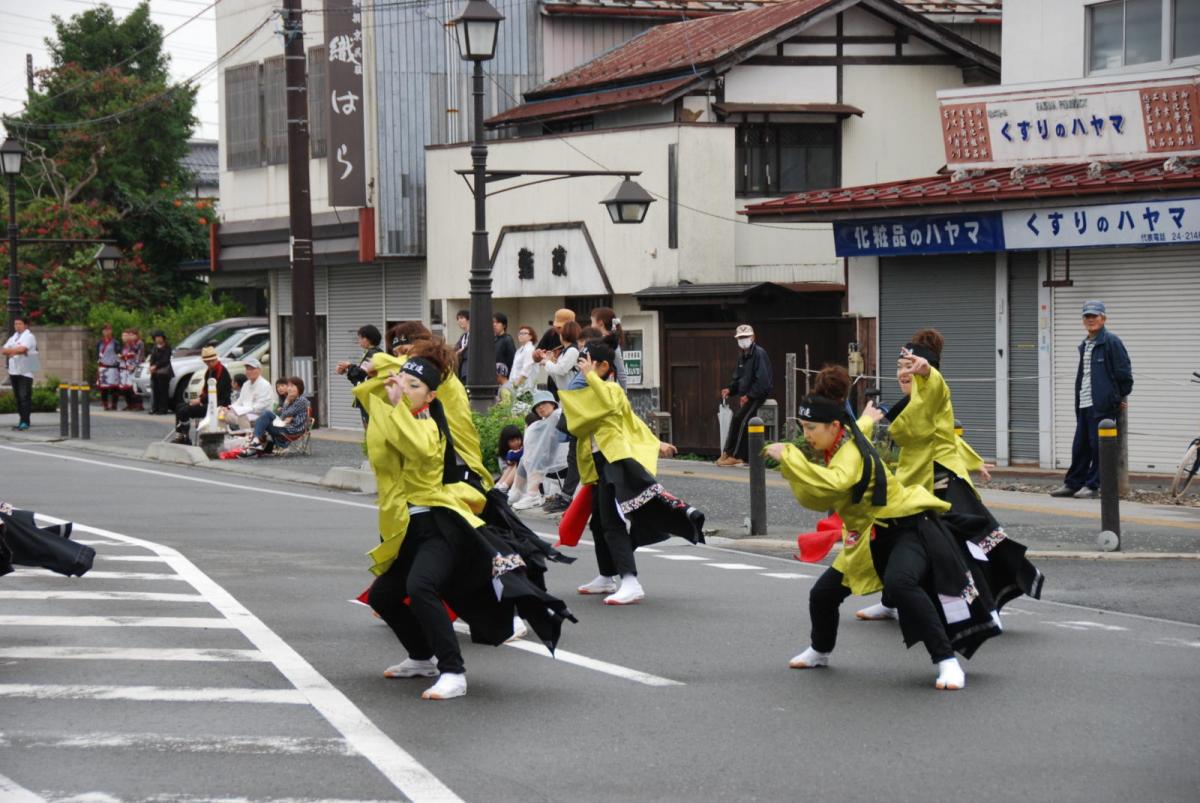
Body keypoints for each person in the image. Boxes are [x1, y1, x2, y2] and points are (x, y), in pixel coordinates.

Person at [765, 365, 1000, 691]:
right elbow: (856, 429)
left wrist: (789, 457)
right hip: (869, 535)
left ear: (834, 426)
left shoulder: (848, 454)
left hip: (907, 528)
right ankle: (820, 650)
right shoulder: (846, 436)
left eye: (811, 428)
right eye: (803, 427)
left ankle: (947, 661)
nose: (806, 435)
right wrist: (867, 419)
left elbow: (832, 484)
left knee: (901, 585)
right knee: (823, 594)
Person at [356, 354, 575, 700]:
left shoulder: (428, 425)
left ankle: (453, 672)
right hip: (408, 530)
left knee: (422, 586)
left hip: (438, 526)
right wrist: (375, 380)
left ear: (431, 396)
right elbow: (381, 430)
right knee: (384, 595)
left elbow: (417, 447)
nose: (404, 388)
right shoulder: (398, 417)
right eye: (402, 381)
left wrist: (397, 406)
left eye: (415, 385)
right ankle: (421, 656)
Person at [856, 330, 1043, 622]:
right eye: (900, 367)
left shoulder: (934, 389)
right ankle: (890, 601)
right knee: (897, 538)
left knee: (964, 548)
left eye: (909, 367)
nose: (903, 373)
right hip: (914, 479)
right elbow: (948, 435)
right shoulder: (908, 403)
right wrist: (975, 460)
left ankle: (986, 608)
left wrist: (927, 372)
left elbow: (937, 391)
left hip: (942, 480)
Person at [559, 339, 706, 606]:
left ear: (604, 366)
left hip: (614, 460)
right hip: (596, 465)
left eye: (588, 363)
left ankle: (630, 580)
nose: (583, 368)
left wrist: (655, 443)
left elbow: (620, 414)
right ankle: (606, 576)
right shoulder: (586, 392)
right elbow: (615, 421)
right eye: (581, 363)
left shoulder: (611, 389)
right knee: (598, 522)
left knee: (612, 520)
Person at [1049, 300, 1133, 499]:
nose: (1090, 319)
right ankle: (1073, 484)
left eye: (1094, 316)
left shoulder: (1111, 342)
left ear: (1103, 318)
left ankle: (1092, 486)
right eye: (1087, 316)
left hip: (1103, 404)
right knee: (1080, 446)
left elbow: (1124, 374)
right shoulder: (1086, 344)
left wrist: (1117, 397)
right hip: (1084, 403)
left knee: (1099, 447)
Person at [717, 324, 773, 467]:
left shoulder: (759, 353)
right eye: (740, 337)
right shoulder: (743, 356)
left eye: (746, 336)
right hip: (748, 395)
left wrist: (749, 395)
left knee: (741, 420)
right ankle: (728, 453)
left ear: (753, 337)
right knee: (737, 420)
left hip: (758, 394)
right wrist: (730, 390)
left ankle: (737, 456)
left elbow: (763, 381)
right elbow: (738, 379)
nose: (743, 340)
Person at [509, 390, 569, 510]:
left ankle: (531, 494)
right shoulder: (543, 422)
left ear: (553, 404)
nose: (540, 407)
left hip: (562, 461)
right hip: (550, 460)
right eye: (537, 406)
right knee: (526, 458)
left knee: (533, 458)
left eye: (544, 403)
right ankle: (517, 491)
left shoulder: (557, 415)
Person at [173, 346, 232, 444]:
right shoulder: (209, 371)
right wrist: (199, 399)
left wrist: (200, 401)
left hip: (218, 405)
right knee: (179, 407)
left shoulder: (222, 372)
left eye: (211, 361)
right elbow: (205, 390)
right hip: (208, 401)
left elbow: (217, 394)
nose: (209, 364)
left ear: (215, 359)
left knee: (184, 411)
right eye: (207, 362)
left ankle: (185, 438)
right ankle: (181, 435)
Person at [244, 376, 310, 455]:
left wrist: (286, 402)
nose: (289, 388)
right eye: (289, 386)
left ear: (299, 387)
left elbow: (283, 415)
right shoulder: (293, 400)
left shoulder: (301, 400)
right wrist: (288, 416)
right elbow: (284, 415)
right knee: (264, 420)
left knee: (267, 414)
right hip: (287, 427)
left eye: (292, 386)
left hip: (293, 430)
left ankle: (257, 441)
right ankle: (258, 443)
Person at [337, 324, 383, 428]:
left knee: (370, 427)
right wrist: (347, 370)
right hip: (372, 395)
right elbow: (361, 374)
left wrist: (348, 366)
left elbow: (361, 373)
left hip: (370, 396)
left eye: (360, 338)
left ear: (367, 339)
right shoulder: (375, 352)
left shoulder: (373, 353)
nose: (359, 341)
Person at [2, 316, 38, 431]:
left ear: (25, 325)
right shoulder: (13, 337)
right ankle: (21, 420)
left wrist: (12, 351)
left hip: (25, 371)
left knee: (24, 397)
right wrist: (15, 351)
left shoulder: (29, 336)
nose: (17, 326)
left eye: (19, 323)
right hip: (13, 371)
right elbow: (3, 350)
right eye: (15, 324)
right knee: (18, 398)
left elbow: (23, 349)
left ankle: (25, 422)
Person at [225, 358, 275, 431]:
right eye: (247, 369)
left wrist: (244, 410)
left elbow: (261, 406)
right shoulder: (246, 384)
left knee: (242, 416)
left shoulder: (265, 385)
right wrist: (230, 408)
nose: (249, 371)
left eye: (252, 369)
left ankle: (247, 435)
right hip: (245, 413)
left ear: (259, 370)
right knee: (222, 413)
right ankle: (221, 435)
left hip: (260, 415)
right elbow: (239, 401)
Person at [590, 307, 628, 389]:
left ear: (600, 323)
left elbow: (620, 371)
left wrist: (624, 392)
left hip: (608, 388)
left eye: (592, 322)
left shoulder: (611, 342)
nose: (591, 326)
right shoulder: (594, 342)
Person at [147, 330, 174, 415]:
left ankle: (163, 409)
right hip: (155, 372)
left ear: (163, 338)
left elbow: (166, 360)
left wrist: (156, 366)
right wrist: (151, 366)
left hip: (164, 372)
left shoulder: (167, 347)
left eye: (159, 337)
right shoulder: (154, 347)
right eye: (156, 338)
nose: (158, 339)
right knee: (155, 390)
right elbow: (152, 358)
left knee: (163, 391)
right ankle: (155, 408)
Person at [96, 323, 121, 411]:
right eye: (105, 330)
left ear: (111, 331)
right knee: (103, 388)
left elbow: (119, 354)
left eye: (108, 329)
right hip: (103, 367)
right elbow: (97, 355)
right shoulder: (99, 343)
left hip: (113, 367)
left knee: (114, 387)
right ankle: (105, 404)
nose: (107, 332)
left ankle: (114, 404)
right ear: (102, 331)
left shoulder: (115, 342)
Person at [119, 328, 145, 411]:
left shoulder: (139, 343)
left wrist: (135, 366)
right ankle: (130, 404)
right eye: (129, 335)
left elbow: (139, 356)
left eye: (132, 335)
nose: (130, 337)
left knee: (134, 387)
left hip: (135, 367)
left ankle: (138, 405)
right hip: (126, 368)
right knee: (126, 388)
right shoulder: (127, 345)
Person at [495, 423, 524, 493]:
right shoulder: (504, 455)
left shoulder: (522, 449)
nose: (516, 442)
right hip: (510, 479)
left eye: (518, 439)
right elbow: (504, 470)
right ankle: (499, 486)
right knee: (514, 464)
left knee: (520, 461)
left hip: (522, 479)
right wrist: (511, 463)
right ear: (505, 442)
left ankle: (503, 487)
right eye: (512, 441)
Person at [509, 325, 537, 392]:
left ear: (531, 336)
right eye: (520, 333)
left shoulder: (530, 349)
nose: (521, 335)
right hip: (516, 386)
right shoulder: (519, 350)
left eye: (524, 333)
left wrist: (516, 385)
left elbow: (526, 370)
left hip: (525, 388)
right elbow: (514, 370)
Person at [493, 312, 516, 381]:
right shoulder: (493, 340)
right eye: (493, 322)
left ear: (504, 325)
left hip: (504, 378)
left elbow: (512, 359)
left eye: (497, 322)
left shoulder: (507, 339)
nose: (494, 324)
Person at [453, 310, 469, 381]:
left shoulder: (475, 334)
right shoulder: (463, 336)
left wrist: (460, 352)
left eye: (462, 318)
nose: (459, 321)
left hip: (471, 370)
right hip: (462, 371)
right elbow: (454, 350)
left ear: (469, 319)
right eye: (458, 319)